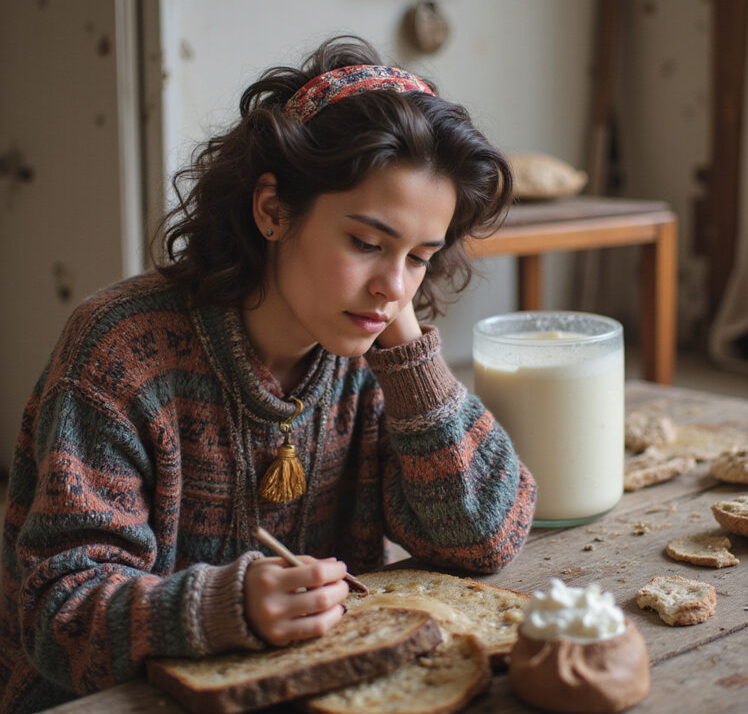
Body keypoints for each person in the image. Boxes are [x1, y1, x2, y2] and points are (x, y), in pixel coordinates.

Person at [0, 35, 536, 713]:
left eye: (420, 256)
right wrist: (223, 607)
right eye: (367, 243)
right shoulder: (119, 351)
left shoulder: (376, 354)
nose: (393, 287)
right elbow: (60, 618)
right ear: (272, 211)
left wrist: (405, 349)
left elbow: (486, 536)